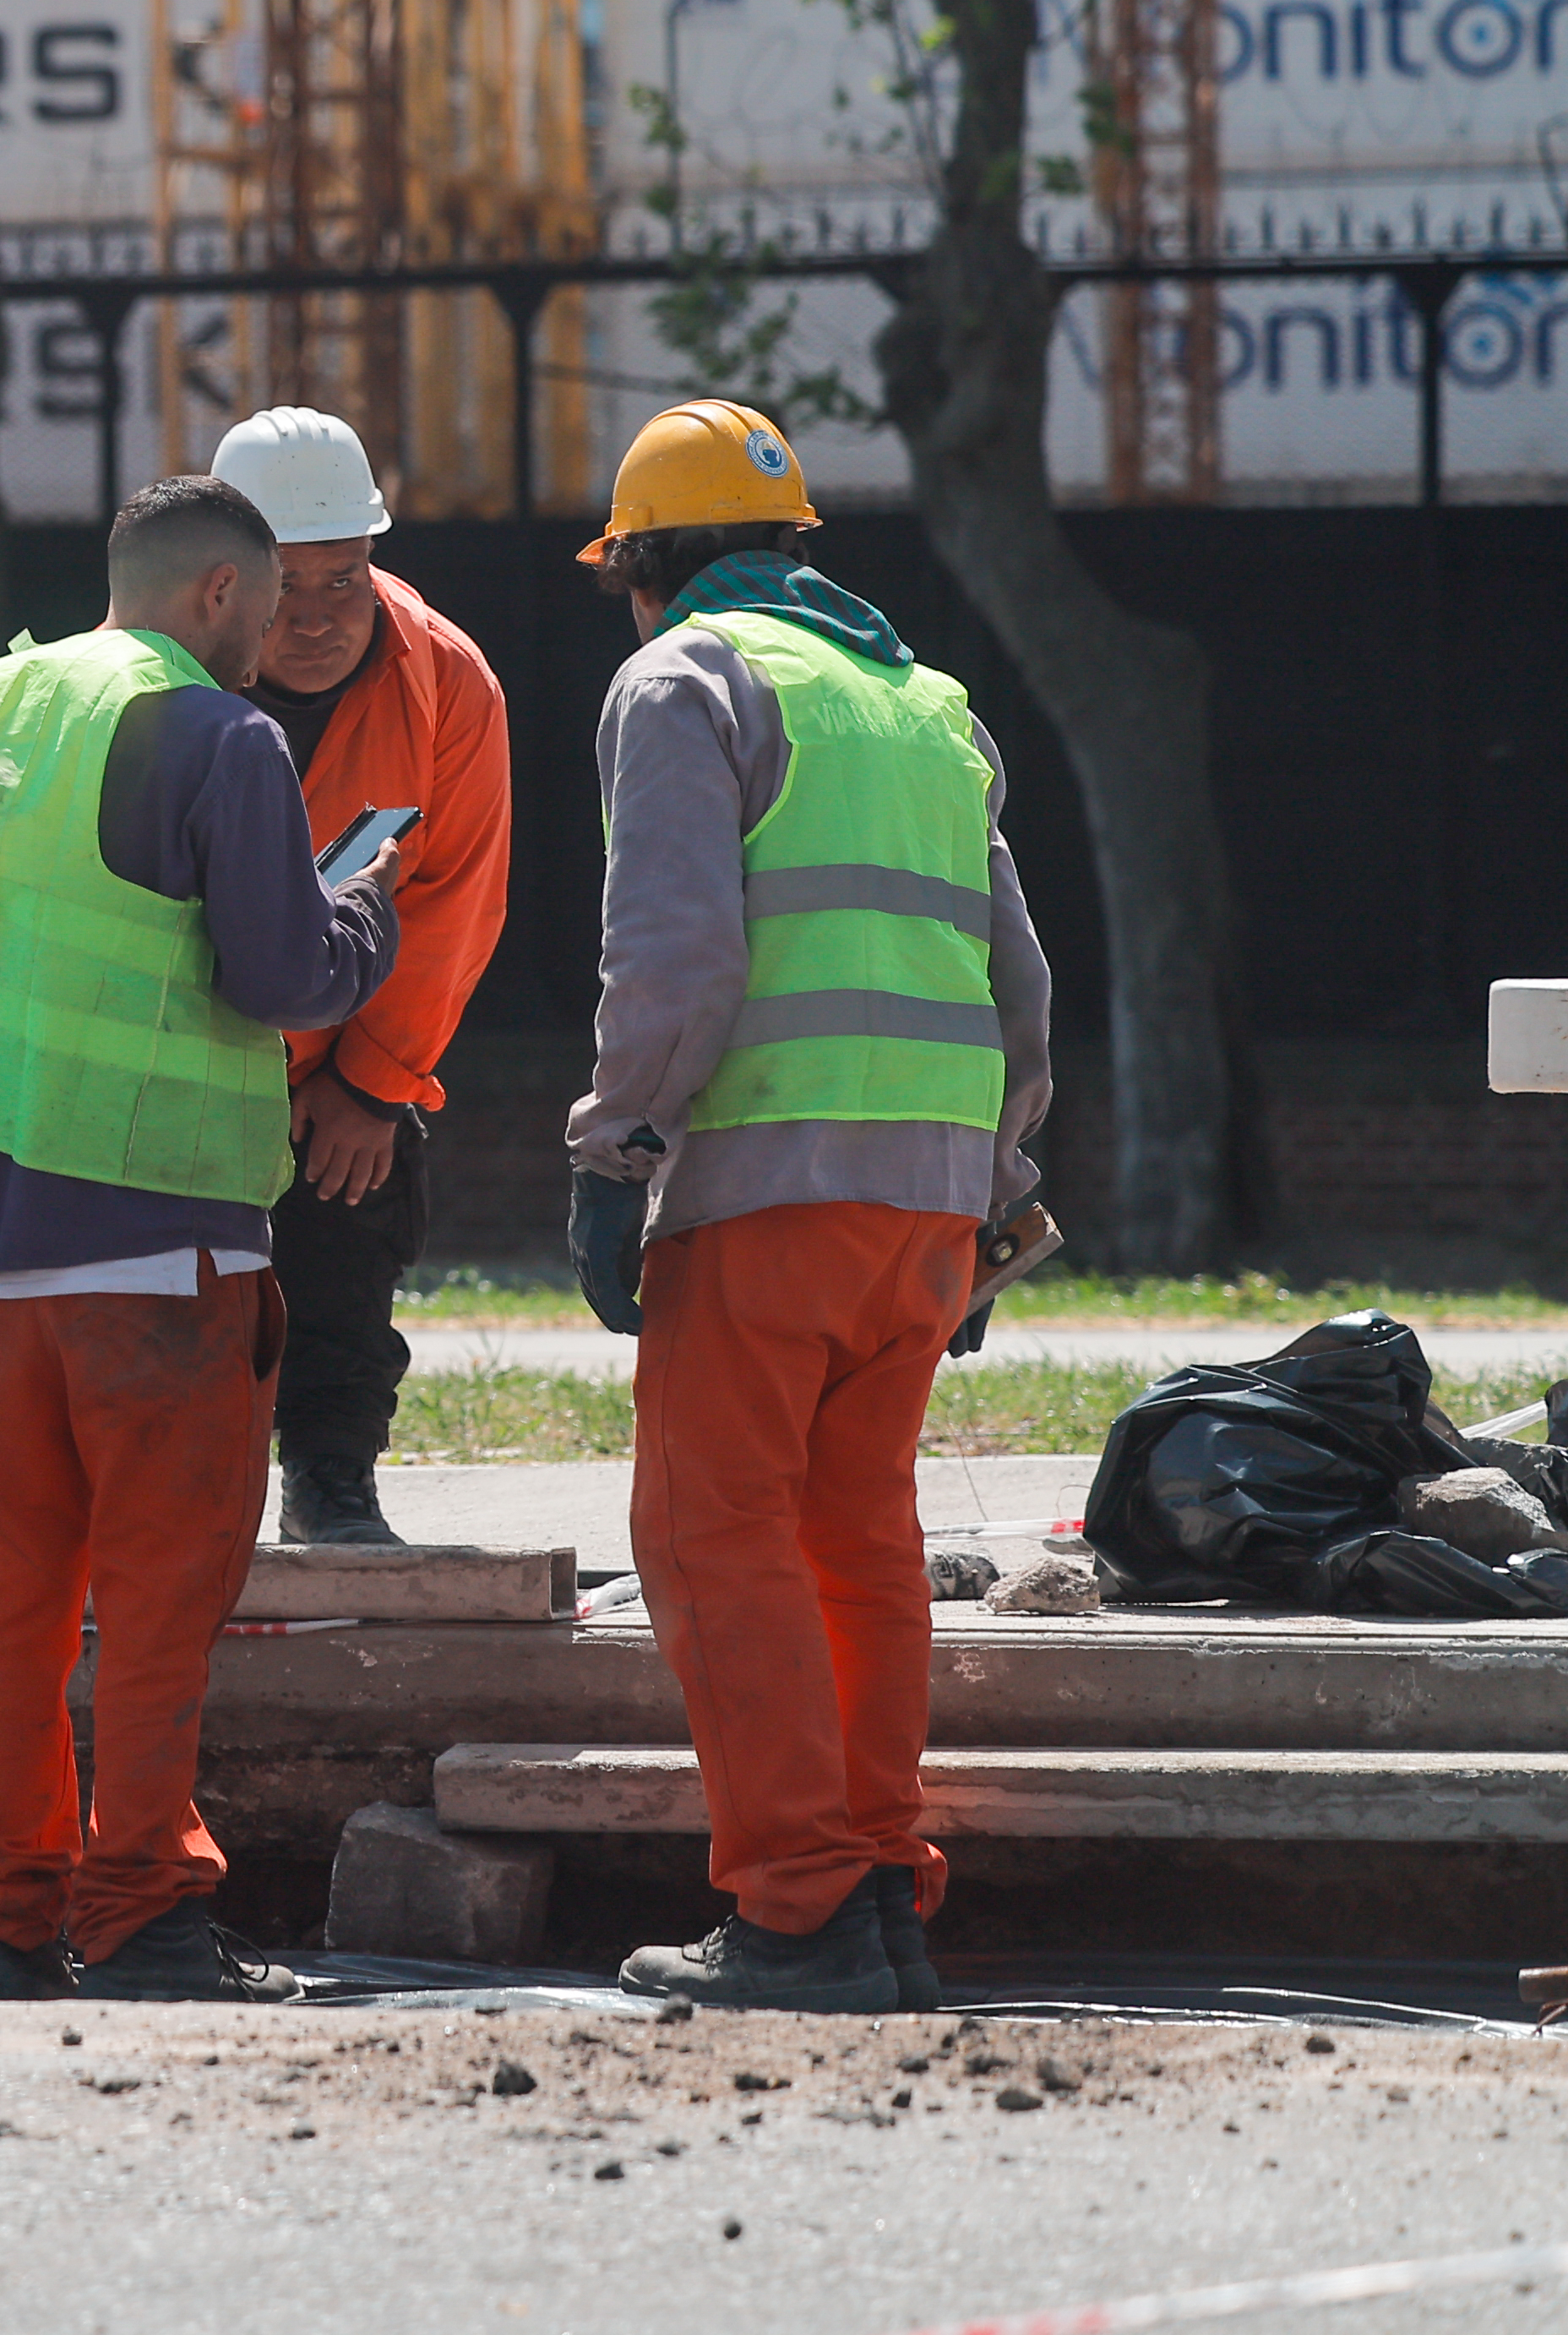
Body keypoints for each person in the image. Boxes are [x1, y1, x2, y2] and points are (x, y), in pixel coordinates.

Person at [0, 474, 400, 2003]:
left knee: (13, 1610)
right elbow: (284, 975)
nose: (285, 638)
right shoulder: (221, 735)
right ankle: (148, 1909)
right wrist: (367, 912)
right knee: (161, 1608)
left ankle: (9, 1915)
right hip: (164, 1253)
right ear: (217, 596)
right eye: (272, 606)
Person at [565, 401, 1054, 2016]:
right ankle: (878, 1890)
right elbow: (1017, 978)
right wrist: (995, 1193)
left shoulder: (683, 682)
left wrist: (616, 1151)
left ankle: (794, 1912)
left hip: (768, 1186)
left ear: (642, 565)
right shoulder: (930, 705)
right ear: (789, 549)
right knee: (857, 1537)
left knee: (713, 1533)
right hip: (924, 1203)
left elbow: (680, 962)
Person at [208, 406, 514, 1550]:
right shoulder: (155, 675)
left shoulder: (446, 679)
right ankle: (182, 1497)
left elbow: (455, 898)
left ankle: (332, 1478)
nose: (325, 617)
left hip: (340, 1058)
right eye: (292, 588)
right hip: (182, 1055)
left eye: (348, 579)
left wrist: (373, 1087)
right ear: (226, 578)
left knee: (349, 1228)